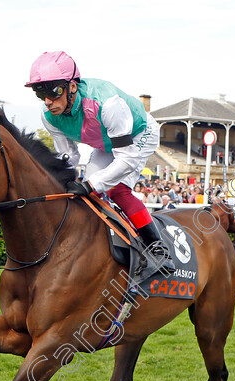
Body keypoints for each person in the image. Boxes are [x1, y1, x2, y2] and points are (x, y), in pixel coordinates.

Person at [25, 51, 173, 273]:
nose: (48, 101)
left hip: (139, 134)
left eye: (54, 92)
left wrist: (91, 184)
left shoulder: (108, 104)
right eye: (40, 94)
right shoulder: (49, 117)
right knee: (87, 193)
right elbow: (69, 157)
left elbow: (128, 159)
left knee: (117, 191)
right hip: (107, 144)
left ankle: (158, 249)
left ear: (72, 86)